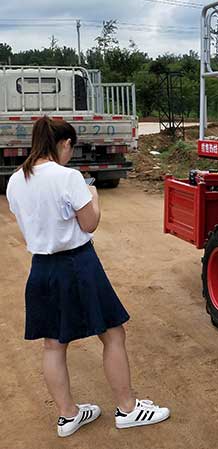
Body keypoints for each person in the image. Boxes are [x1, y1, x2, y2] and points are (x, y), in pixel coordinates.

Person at [5, 117, 170, 438]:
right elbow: (89, 223)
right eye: (71, 148)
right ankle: (128, 408)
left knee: (53, 344)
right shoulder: (68, 177)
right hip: (78, 264)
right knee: (112, 333)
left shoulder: (15, 180)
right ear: (64, 143)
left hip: (41, 267)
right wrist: (93, 195)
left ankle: (68, 416)